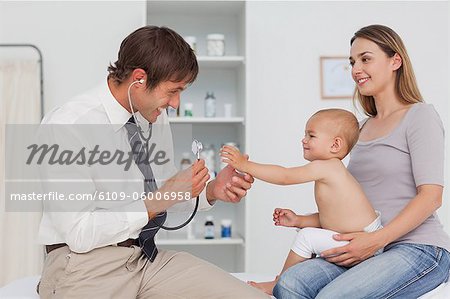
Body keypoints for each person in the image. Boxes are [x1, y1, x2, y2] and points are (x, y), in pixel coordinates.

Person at [36, 26, 268, 298]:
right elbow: (80, 233)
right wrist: (161, 198)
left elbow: (161, 194)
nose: (175, 103)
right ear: (139, 79)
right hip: (84, 266)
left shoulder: (152, 116)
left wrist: (212, 190)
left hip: (143, 258)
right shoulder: (70, 125)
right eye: (173, 91)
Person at [272, 24, 450, 299]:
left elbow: (431, 197)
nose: (356, 69)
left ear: (395, 61)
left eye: (365, 59)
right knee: (289, 284)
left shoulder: (420, 116)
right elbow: (353, 205)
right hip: (369, 247)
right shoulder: (362, 128)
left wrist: (376, 240)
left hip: (419, 248)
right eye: (353, 62)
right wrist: (304, 221)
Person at [221, 108, 382, 295]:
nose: (303, 139)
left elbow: (285, 176)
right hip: (358, 236)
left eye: (311, 135)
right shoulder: (330, 170)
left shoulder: (327, 167)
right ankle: (285, 279)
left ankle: (278, 283)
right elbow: (333, 219)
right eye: (305, 134)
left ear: (335, 145)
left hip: (366, 244)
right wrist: (299, 220)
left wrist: (245, 165)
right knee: (306, 231)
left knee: (307, 237)